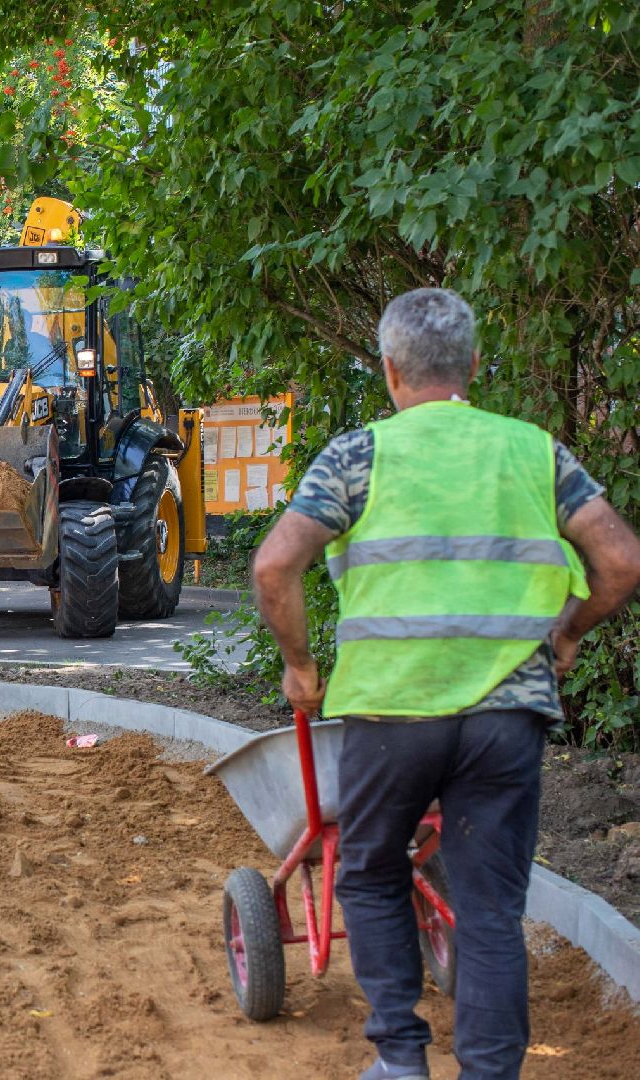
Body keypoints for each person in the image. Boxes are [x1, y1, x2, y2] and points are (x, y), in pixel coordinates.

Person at [252, 288, 640, 1080]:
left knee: (367, 872)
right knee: (491, 908)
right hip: (506, 715)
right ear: (470, 367)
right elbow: (621, 561)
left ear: (390, 372)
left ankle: (399, 1059)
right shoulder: (535, 452)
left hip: (390, 712)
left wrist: (299, 665)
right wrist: (563, 634)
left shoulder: (358, 456)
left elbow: (272, 565)